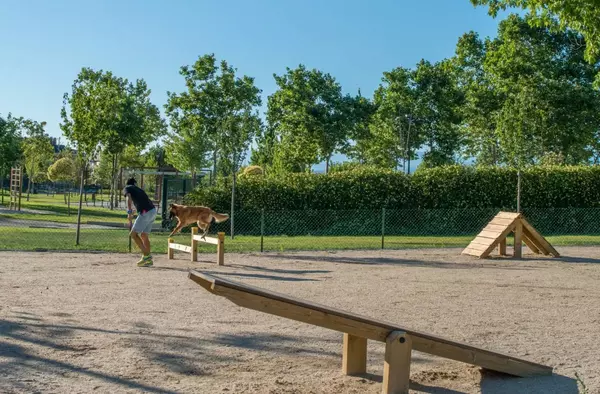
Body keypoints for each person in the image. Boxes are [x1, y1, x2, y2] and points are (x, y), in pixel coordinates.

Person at [123, 177, 157, 267]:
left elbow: (128, 198)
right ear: (135, 183)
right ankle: (147, 260)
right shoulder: (139, 190)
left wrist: (129, 212)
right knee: (144, 235)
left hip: (145, 212)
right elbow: (141, 202)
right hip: (153, 211)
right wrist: (135, 211)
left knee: (133, 234)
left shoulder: (127, 188)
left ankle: (147, 256)